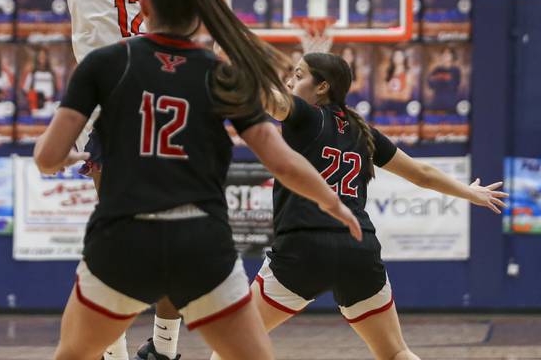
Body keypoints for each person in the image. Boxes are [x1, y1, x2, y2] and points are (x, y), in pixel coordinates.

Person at [33, 0, 361, 360]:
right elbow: (282, 162)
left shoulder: (105, 63)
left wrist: (65, 158)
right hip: (201, 243)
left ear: (143, 6)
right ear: (201, 15)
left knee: (72, 353)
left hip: (123, 238)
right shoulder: (222, 74)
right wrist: (332, 203)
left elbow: (47, 157)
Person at [22, 0, 190, 360]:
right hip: (105, 102)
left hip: (159, 100)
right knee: (113, 238)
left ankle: (164, 349)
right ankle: (114, 352)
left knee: (168, 235)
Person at [212, 52, 507, 360]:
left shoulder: (305, 115)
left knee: (232, 345)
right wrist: (469, 192)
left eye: (298, 76)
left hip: (303, 249)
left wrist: (227, 67)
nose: (289, 82)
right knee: (396, 353)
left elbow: (268, 99)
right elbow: (422, 174)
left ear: (322, 87)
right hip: (358, 249)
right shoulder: (362, 131)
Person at [20, 47, 60, 119]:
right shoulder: (32, 73)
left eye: (44, 55)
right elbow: (25, 91)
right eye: (40, 56)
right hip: (36, 108)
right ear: (37, 57)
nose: (42, 58)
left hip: (50, 107)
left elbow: (57, 91)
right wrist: (32, 104)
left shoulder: (52, 74)